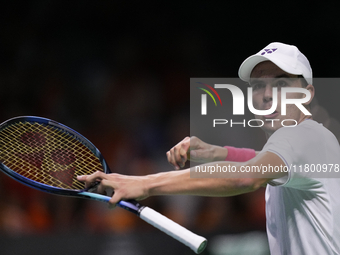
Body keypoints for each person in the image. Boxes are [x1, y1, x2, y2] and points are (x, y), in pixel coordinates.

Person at [78, 42, 340, 254]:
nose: (267, 94)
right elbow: (259, 162)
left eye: (281, 83)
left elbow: (248, 175)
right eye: (259, 86)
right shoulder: (314, 140)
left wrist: (146, 184)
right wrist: (217, 152)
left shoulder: (301, 136)